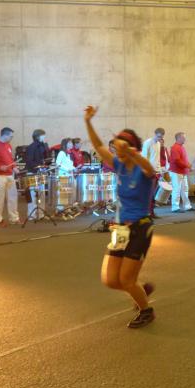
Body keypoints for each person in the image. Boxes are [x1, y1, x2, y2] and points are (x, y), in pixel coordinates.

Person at [84, 105, 157, 329]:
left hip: (140, 228)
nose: (116, 154)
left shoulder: (141, 170)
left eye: (121, 150)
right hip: (121, 229)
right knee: (110, 280)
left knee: (126, 280)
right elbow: (98, 146)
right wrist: (88, 121)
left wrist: (133, 153)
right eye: (116, 150)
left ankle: (146, 311)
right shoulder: (118, 165)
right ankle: (140, 291)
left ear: (131, 149)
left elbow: (150, 170)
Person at [24, 129, 49, 219]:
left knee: (41, 194)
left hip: (41, 172)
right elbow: (29, 161)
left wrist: (45, 164)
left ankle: (41, 214)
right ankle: (32, 215)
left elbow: (45, 158)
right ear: (38, 136)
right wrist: (39, 166)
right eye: (43, 135)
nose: (44, 137)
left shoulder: (43, 146)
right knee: (32, 194)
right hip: (32, 172)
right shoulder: (31, 147)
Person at [142, 128, 167, 217]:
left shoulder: (159, 144)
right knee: (148, 194)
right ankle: (146, 213)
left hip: (156, 172)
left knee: (153, 194)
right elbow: (143, 158)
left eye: (161, 137)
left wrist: (160, 171)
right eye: (158, 136)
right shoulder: (147, 143)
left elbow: (157, 159)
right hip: (149, 173)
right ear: (155, 134)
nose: (159, 138)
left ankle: (151, 212)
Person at [168, 132, 193, 213]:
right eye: (183, 137)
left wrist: (188, 166)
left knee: (185, 190)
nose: (185, 139)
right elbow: (177, 161)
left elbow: (184, 160)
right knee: (177, 190)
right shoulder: (175, 148)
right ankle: (175, 207)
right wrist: (187, 166)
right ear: (178, 138)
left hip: (182, 172)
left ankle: (187, 206)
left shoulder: (181, 147)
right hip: (176, 172)